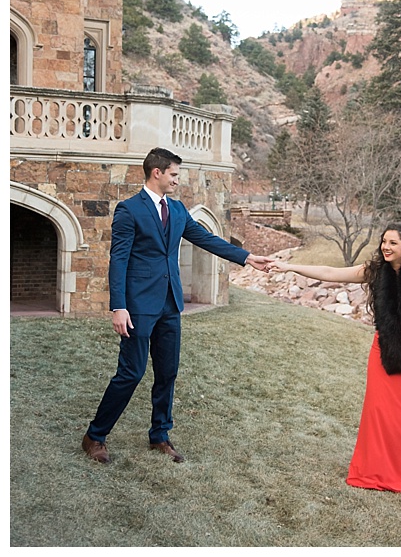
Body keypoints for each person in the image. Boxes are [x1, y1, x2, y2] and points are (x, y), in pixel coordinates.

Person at [83, 147, 275, 464]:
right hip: (138, 306)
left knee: (168, 372)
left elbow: (206, 238)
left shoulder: (177, 210)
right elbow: (118, 260)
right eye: (173, 174)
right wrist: (119, 306)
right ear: (156, 172)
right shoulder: (129, 210)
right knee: (131, 373)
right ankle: (95, 435)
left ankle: (160, 435)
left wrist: (247, 257)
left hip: (170, 304)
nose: (177, 180)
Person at [272, 223, 401, 494]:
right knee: (378, 413)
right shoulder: (374, 271)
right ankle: (374, 472)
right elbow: (330, 272)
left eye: (393, 243)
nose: (386, 247)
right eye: (384, 241)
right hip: (384, 352)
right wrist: (291, 267)